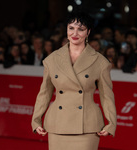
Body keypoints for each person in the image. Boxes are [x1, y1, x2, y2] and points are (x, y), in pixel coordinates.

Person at [31, 11, 117, 150]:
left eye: (81, 29)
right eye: (71, 28)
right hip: (58, 123)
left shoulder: (100, 62)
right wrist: (36, 120)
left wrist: (111, 123)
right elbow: (45, 93)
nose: (75, 33)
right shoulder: (52, 59)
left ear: (88, 32)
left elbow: (107, 96)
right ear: (66, 29)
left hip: (87, 125)